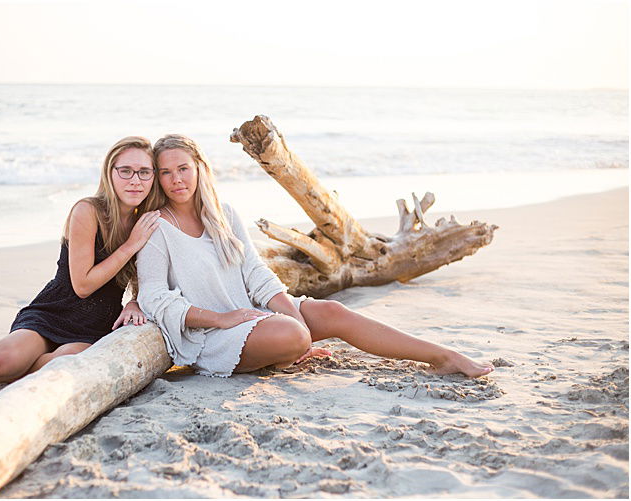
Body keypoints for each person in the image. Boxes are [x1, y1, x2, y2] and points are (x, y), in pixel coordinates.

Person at [127, 133, 494, 378]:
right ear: (157, 179)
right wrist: (224, 320)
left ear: (200, 169)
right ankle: (289, 346)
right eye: (165, 172)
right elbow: (155, 297)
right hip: (210, 336)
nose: (176, 179)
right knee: (291, 334)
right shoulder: (157, 227)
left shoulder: (224, 213)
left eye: (183, 169)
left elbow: (256, 274)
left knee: (330, 312)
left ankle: (442, 357)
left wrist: (296, 321)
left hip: (253, 314)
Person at [0, 136, 161, 385]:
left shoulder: (147, 222)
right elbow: (82, 286)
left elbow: (149, 279)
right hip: (54, 310)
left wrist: (134, 302)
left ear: (153, 176)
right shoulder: (88, 211)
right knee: (1, 362)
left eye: (144, 172)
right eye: (126, 171)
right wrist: (131, 245)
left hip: (97, 325)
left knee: (63, 364)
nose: (135, 180)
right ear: (109, 173)